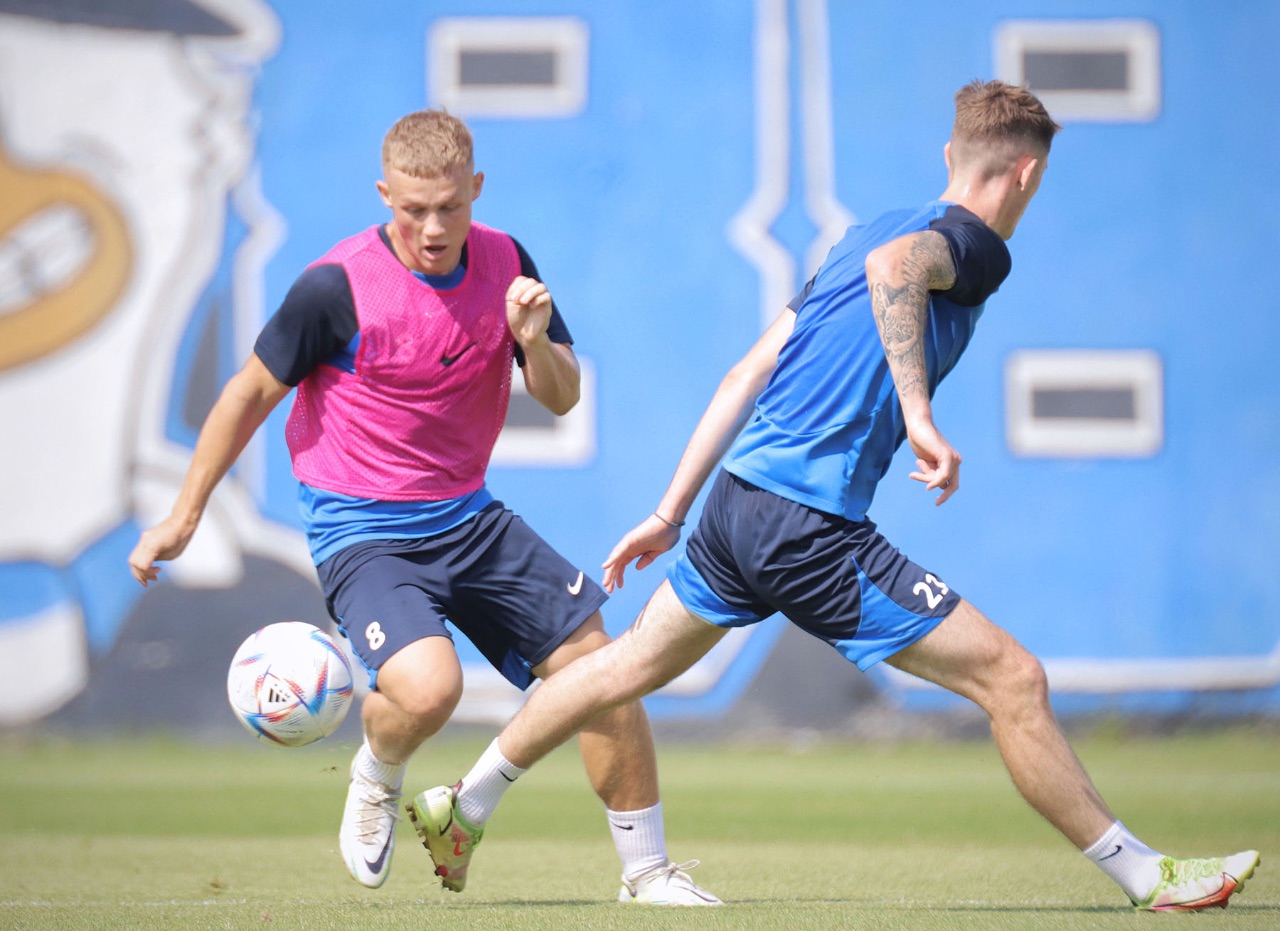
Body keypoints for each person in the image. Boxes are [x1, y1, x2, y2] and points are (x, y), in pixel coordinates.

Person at [412, 81, 1261, 912]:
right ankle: (1149, 877)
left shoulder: (863, 232)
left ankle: (465, 800)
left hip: (736, 505)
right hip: (804, 525)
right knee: (1014, 678)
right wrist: (919, 414)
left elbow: (746, 372)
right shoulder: (970, 245)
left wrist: (671, 511)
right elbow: (901, 272)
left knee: (621, 666)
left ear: (949, 154)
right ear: (1027, 174)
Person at [127, 109, 720, 907]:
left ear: (476, 189)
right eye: (413, 209)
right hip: (364, 532)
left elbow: (562, 396)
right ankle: (378, 771)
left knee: (602, 673)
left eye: (449, 206)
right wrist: (185, 514)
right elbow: (247, 394)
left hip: (470, 518)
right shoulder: (335, 287)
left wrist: (532, 341)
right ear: (385, 195)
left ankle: (647, 873)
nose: (433, 228)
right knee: (430, 690)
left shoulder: (508, 261)